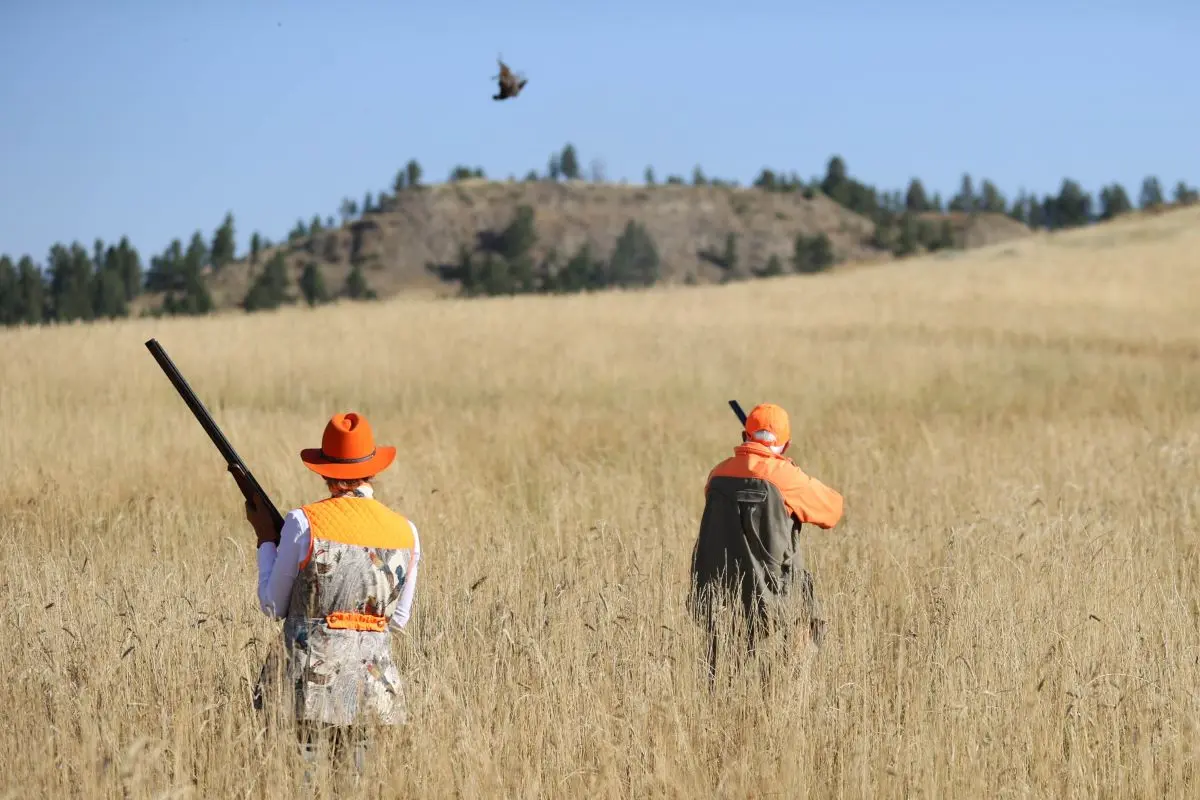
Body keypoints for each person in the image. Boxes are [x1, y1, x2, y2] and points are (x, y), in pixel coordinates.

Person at [231, 411, 421, 779]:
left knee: (303, 782)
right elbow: (397, 620)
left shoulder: (304, 522)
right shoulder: (406, 531)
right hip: (372, 686)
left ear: (324, 470)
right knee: (356, 784)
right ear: (373, 469)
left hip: (306, 685)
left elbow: (273, 605)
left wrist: (265, 539)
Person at [688, 402, 843, 680]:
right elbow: (832, 511)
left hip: (721, 593)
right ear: (786, 444)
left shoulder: (718, 475)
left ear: (744, 437)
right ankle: (784, 689)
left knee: (726, 667)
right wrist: (793, 471)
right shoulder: (786, 477)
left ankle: (724, 689)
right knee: (813, 623)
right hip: (775, 595)